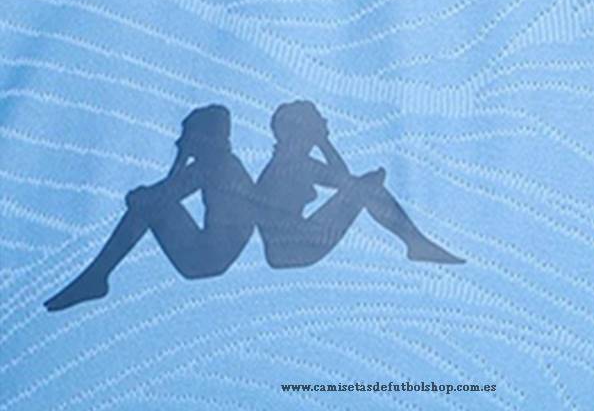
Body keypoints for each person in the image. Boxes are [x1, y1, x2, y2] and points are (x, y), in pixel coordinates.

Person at [44, 105, 256, 311]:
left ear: (203, 138)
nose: (179, 141)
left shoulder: (214, 166)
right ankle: (96, 276)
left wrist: (180, 158)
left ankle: (97, 276)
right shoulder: (222, 163)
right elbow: (168, 190)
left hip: (206, 258)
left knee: (147, 206)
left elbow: (166, 193)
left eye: (187, 136)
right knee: (149, 203)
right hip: (212, 252)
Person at [255, 100, 463, 268]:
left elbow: (342, 179)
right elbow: (344, 180)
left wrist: (326, 145)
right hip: (293, 249)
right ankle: (416, 244)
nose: (325, 121)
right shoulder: (292, 165)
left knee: (364, 187)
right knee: (366, 188)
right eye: (318, 119)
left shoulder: (291, 161)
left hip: (290, 246)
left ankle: (415, 243)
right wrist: (325, 143)